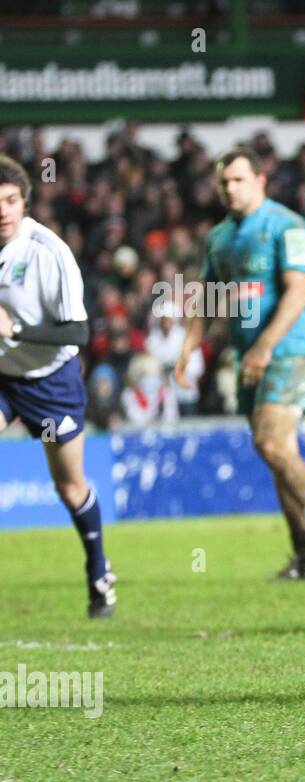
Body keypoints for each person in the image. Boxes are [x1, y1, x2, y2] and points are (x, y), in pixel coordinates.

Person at [176, 146, 305, 579]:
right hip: (248, 357)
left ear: (260, 181)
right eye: (223, 182)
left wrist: (265, 345)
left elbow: (299, 292)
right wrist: (188, 346)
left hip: (288, 352)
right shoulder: (219, 238)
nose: (230, 189)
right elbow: (206, 298)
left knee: (270, 443)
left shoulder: (288, 226)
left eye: (238, 180)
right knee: (275, 452)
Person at [0, 155, 117, 617]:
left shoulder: (49, 252)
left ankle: (98, 569)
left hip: (51, 382)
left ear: (25, 202)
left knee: (70, 488)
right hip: (3, 378)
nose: (2, 211)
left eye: (10, 201)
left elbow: (78, 333)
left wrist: (14, 332)